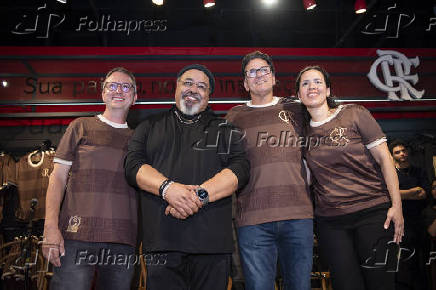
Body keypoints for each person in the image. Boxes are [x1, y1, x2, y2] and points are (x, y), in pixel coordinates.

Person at [124, 64, 250, 290]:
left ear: (209, 96)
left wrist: (199, 196)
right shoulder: (148, 126)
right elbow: (133, 165)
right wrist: (168, 189)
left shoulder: (225, 130)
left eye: (202, 86)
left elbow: (240, 169)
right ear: (176, 87)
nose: (194, 89)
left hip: (212, 246)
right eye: (188, 83)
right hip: (162, 243)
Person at [295, 65, 404, 290]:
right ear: (299, 95)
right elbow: (306, 179)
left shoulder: (354, 113)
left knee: (380, 283)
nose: (311, 87)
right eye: (305, 84)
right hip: (331, 222)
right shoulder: (302, 133)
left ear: (327, 90)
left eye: (317, 82)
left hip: (372, 213)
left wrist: (397, 206)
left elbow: (386, 160)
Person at [42, 67, 138, 290]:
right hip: (76, 236)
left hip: (123, 240)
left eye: (126, 86)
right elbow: (57, 178)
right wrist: (50, 227)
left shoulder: (139, 139)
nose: (119, 91)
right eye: (112, 85)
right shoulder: (80, 126)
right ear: (103, 93)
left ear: (135, 96)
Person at [225, 51, 313, 290]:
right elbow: (227, 167)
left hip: (298, 215)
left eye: (263, 69)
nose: (258, 75)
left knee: (299, 286)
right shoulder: (234, 117)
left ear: (274, 77)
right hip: (253, 220)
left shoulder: (297, 109)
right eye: (251, 72)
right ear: (245, 83)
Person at [389, 139, 431, 290]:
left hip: (419, 222)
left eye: (404, 151)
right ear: (392, 155)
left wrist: (399, 194)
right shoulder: (391, 175)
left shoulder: (420, 171)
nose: (402, 154)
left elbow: (424, 194)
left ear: (408, 152)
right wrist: (413, 191)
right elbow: (389, 196)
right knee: (403, 262)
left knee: (422, 261)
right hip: (399, 224)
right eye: (397, 152)